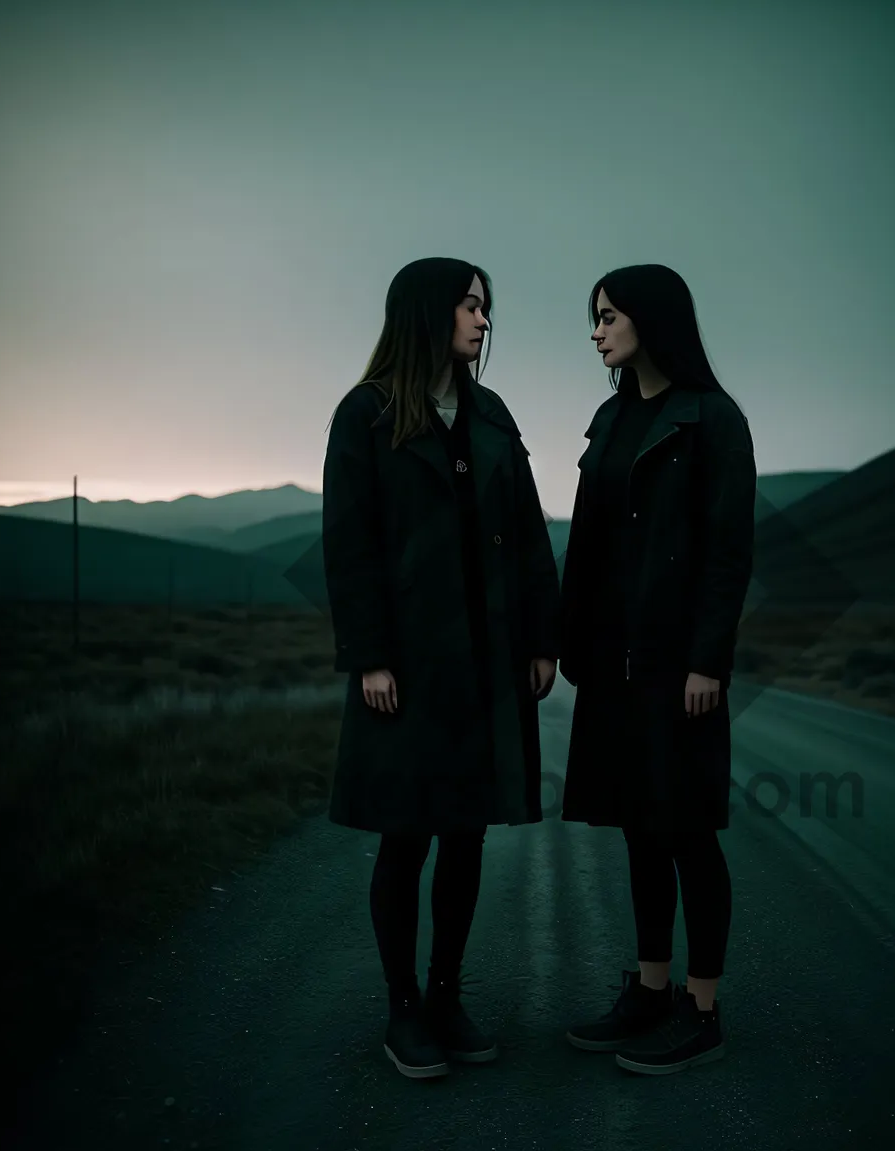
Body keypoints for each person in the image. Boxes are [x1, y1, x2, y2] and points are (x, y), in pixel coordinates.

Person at [321, 257, 560, 1080]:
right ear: (427, 312)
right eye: (468, 305)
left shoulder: (492, 414)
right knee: (406, 835)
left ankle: (447, 995)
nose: (482, 320)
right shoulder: (367, 413)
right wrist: (371, 658)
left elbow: (529, 534)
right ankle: (402, 1011)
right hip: (410, 666)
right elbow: (349, 547)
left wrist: (540, 639)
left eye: (485, 307)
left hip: (489, 661)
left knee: (467, 833)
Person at [558, 264, 757, 1075]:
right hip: (615, 664)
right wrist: (570, 639)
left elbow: (727, 552)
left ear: (652, 319)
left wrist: (708, 659)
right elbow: (589, 542)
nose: (597, 330)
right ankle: (648, 988)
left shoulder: (712, 419)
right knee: (639, 826)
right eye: (595, 317)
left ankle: (701, 1007)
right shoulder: (610, 419)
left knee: (687, 831)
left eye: (608, 316)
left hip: (680, 666)